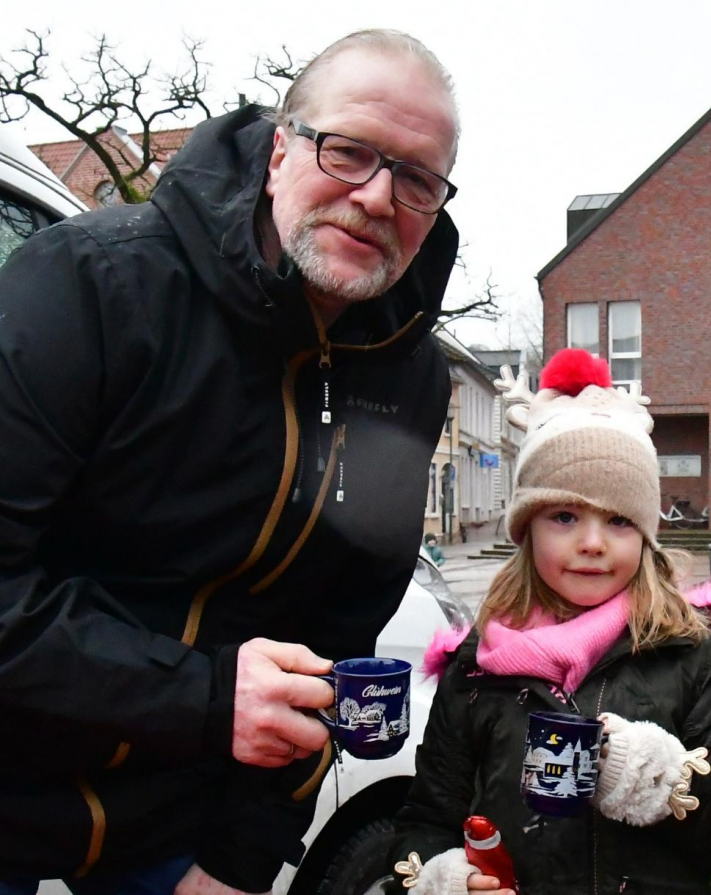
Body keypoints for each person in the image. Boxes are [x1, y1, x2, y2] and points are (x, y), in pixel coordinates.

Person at [0, 29, 460, 895]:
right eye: (349, 151)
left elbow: (337, 644)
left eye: (416, 179)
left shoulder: (409, 379)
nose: (374, 196)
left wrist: (238, 862)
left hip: (174, 835)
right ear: (280, 148)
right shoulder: (89, 284)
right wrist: (207, 696)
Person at [388, 349, 711, 894]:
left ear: (646, 536)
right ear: (528, 527)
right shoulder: (477, 666)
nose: (593, 543)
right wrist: (443, 878)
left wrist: (661, 781)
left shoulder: (694, 653)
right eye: (565, 516)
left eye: (620, 520)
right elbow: (426, 822)